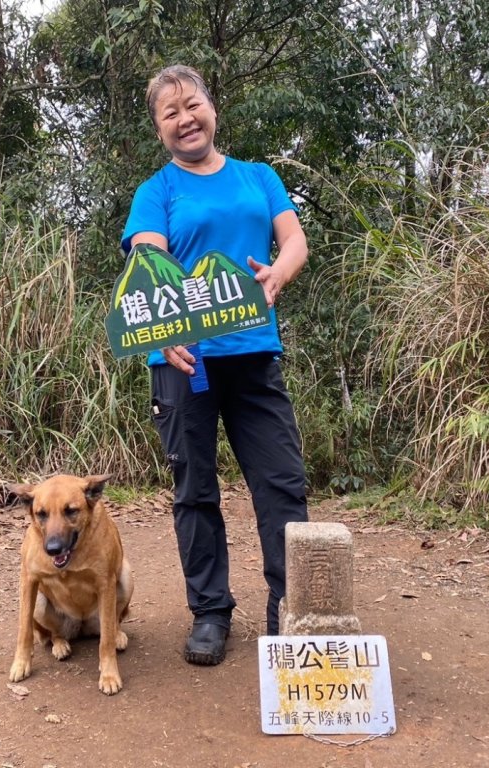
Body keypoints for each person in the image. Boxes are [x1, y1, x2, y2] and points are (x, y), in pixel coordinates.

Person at [121, 64, 310, 666]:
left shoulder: (259, 177)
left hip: (254, 353)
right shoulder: (157, 191)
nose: (185, 119)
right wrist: (164, 325)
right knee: (194, 488)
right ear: (160, 129)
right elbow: (149, 262)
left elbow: (294, 240)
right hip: (185, 361)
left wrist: (279, 271)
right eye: (170, 113)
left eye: (192, 104)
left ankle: (293, 608)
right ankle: (210, 611)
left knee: (281, 482)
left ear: (212, 108)